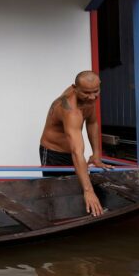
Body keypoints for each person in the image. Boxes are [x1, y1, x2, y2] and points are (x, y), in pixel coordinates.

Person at [39, 71, 113, 216]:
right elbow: (77, 152)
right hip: (54, 152)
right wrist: (88, 190)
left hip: (73, 151)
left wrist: (96, 155)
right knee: (56, 195)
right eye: (86, 93)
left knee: (76, 188)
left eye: (95, 92)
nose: (92, 97)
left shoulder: (89, 98)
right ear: (75, 88)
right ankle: (53, 220)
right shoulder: (70, 111)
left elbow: (92, 122)